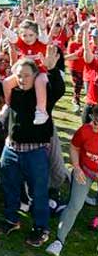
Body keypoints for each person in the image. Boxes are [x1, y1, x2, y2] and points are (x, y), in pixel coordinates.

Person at [0, 48, 64, 247]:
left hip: (35, 151)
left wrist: (51, 70)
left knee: (38, 191)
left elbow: (59, 89)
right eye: (19, 75)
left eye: (27, 75)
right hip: (11, 150)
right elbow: (1, 82)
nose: (22, 79)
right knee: (9, 186)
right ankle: (11, 219)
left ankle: (40, 227)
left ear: (35, 76)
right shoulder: (14, 92)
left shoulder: (44, 95)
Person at [46, 104, 98, 255]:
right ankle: (58, 241)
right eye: (94, 120)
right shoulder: (85, 130)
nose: (93, 125)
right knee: (75, 205)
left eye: (97, 123)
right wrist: (76, 167)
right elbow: (74, 147)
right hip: (85, 171)